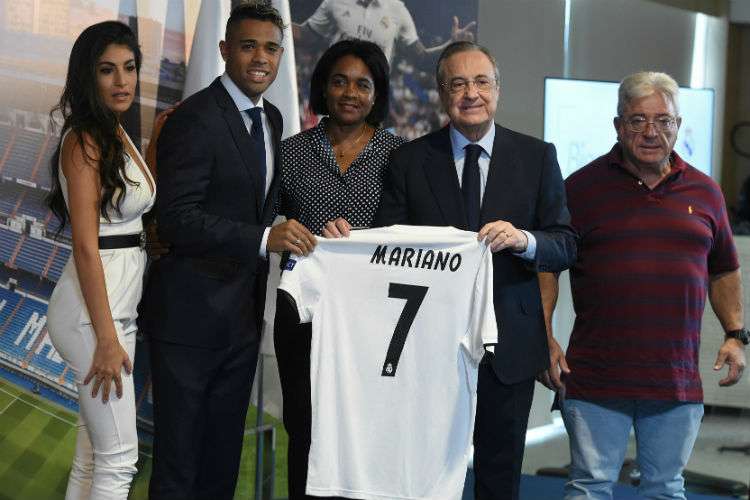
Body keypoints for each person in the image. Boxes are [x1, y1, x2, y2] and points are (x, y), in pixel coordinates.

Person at [374, 41, 577, 500]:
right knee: (421, 474)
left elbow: (564, 244)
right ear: (442, 94)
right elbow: (386, 248)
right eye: (458, 83)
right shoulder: (408, 161)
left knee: (499, 476)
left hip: (509, 346)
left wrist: (524, 240)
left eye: (481, 82)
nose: (471, 93)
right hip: (427, 347)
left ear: (497, 90)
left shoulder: (537, 157)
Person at [540, 71, 747, 500]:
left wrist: (734, 333)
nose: (651, 132)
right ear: (618, 126)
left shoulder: (706, 192)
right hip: (596, 377)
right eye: (637, 120)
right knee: (589, 488)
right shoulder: (580, 188)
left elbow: (724, 268)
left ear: (678, 125)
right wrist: (543, 338)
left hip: (675, 380)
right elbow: (546, 266)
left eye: (663, 121)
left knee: (665, 490)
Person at [138, 3, 315, 498]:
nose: (261, 57)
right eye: (248, 45)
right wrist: (263, 240)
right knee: (178, 469)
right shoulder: (193, 119)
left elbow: (264, 201)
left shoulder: (274, 119)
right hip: (188, 324)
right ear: (223, 50)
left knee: (220, 467)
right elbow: (177, 219)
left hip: (241, 319)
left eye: (271, 47)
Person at [273, 38, 405, 499]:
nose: (351, 93)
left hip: (373, 320)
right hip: (302, 316)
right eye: (340, 81)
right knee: (304, 432)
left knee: (363, 437)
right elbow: (265, 220)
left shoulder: (400, 155)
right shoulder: (290, 152)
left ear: (377, 93)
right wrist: (284, 228)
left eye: (363, 84)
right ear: (323, 88)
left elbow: (411, 233)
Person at [45, 20, 155, 499]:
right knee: (118, 460)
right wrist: (108, 339)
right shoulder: (84, 139)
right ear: (88, 77)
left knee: (92, 457)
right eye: (107, 71)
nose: (122, 81)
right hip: (94, 319)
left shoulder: (114, 130)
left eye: (129, 68)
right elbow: (87, 248)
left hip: (113, 314)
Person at [292, 0, 476, 64]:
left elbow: (421, 58)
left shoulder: (397, 10)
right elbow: (305, 35)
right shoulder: (335, 2)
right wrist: (273, 17)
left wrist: (451, 45)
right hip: (334, 98)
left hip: (373, 103)